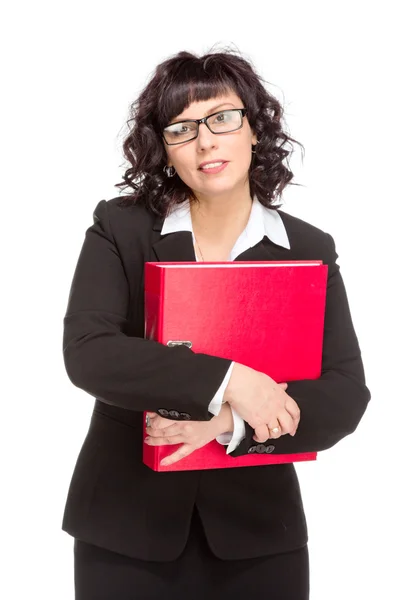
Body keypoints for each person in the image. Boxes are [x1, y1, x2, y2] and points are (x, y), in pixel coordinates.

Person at [61, 48, 371, 600]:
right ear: (165, 149)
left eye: (223, 118)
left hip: (259, 535)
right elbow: (90, 351)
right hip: (125, 525)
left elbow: (345, 393)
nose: (206, 141)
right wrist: (231, 379)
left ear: (254, 128)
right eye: (182, 128)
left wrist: (230, 421)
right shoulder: (122, 228)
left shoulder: (306, 248)